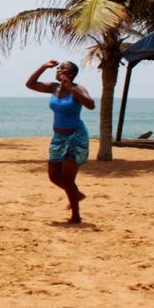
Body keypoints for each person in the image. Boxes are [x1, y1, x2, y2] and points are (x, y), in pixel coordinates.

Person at [26, 59, 95, 224]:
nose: (58, 70)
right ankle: (76, 195)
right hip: (58, 137)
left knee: (67, 179)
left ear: (71, 74)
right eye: (58, 68)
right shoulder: (53, 87)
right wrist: (43, 66)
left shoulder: (77, 88)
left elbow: (91, 105)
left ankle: (76, 216)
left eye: (62, 69)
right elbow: (30, 84)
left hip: (75, 137)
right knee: (54, 177)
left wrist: (71, 89)